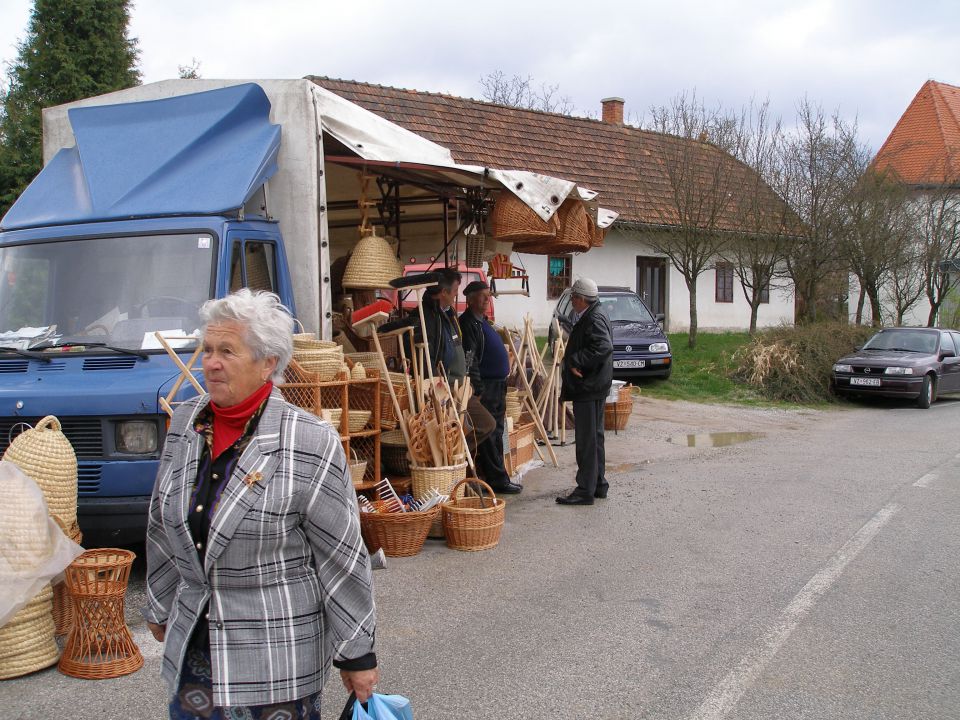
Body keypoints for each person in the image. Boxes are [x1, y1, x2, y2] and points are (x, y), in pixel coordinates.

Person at [143, 289, 378, 719]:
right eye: (208, 349)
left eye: (227, 351)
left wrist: (357, 653)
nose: (210, 362)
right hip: (198, 652)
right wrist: (160, 602)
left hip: (277, 658)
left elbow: (341, 555)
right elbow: (162, 519)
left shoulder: (307, 439)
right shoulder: (185, 423)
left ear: (268, 362)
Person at [379, 267, 496, 456]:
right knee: (485, 424)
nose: (457, 296)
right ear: (443, 292)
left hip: (460, 387)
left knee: (482, 426)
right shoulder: (425, 318)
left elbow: (462, 350)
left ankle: (452, 456)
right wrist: (437, 391)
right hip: (444, 390)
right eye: (455, 291)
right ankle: (448, 454)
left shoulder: (447, 315)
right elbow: (424, 359)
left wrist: (469, 381)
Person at [460, 280, 522, 494]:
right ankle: (497, 479)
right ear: (469, 299)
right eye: (482, 295)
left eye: (489, 295)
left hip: (497, 385)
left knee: (497, 431)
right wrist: (477, 388)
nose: (488, 299)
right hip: (485, 387)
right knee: (491, 432)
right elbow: (470, 359)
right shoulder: (468, 323)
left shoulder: (482, 321)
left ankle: (495, 475)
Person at [557, 277, 613, 506]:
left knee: (587, 440)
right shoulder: (593, 314)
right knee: (595, 437)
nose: (571, 302)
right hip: (595, 385)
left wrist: (576, 361)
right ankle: (598, 484)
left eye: (573, 298)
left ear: (581, 299)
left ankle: (585, 489)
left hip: (589, 386)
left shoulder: (594, 317)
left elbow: (603, 346)